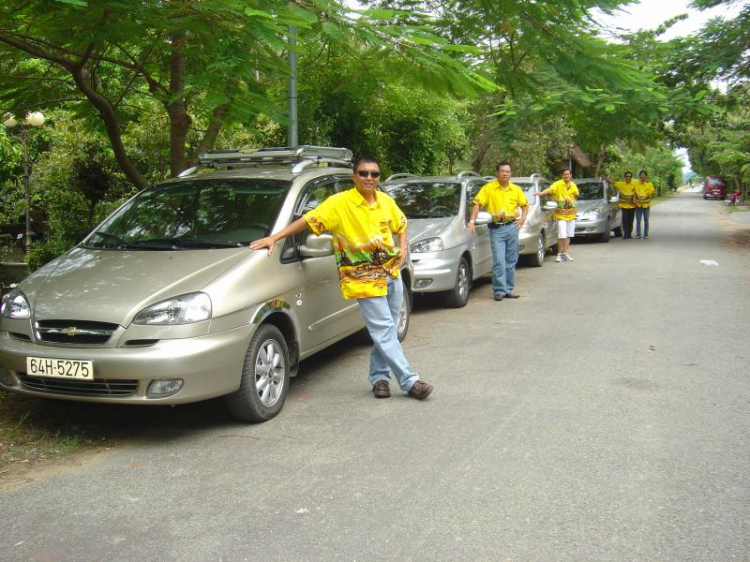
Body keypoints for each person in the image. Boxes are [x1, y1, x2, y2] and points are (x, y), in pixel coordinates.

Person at [249, 155, 434, 401]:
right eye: (364, 173)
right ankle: (410, 381)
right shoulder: (339, 203)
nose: (369, 178)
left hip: (391, 273)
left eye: (374, 174)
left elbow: (401, 224)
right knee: (385, 330)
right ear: (354, 176)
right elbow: (306, 221)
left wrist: (402, 248)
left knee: (384, 331)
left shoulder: (385, 201)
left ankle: (379, 378)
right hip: (362, 278)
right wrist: (275, 237)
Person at [468, 160, 528, 301]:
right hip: (497, 229)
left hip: (512, 227)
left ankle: (508, 289)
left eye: (507, 171)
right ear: (497, 173)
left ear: (510, 173)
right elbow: (477, 204)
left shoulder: (516, 189)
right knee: (499, 261)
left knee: (511, 260)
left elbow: (525, 205)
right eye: (502, 171)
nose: (505, 173)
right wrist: (471, 221)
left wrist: (522, 219)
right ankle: (499, 290)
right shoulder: (488, 188)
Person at [536, 168, 578, 262]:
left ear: (570, 175)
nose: (566, 176)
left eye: (568, 174)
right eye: (565, 174)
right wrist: (541, 193)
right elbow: (550, 190)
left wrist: (572, 202)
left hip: (571, 214)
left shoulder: (573, 185)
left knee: (568, 235)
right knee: (562, 235)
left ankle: (565, 253)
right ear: (562, 176)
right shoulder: (558, 184)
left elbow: (576, 196)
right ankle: (559, 254)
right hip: (561, 215)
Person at [605, 171, 636, 239]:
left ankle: (629, 234)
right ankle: (626, 235)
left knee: (630, 221)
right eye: (627, 176)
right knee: (625, 220)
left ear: (631, 177)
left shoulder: (634, 184)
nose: (628, 177)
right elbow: (613, 182)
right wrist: (605, 178)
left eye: (629, 176)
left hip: (632, 206)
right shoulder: (621, 184)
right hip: (624, 206)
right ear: (624, 177)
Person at [634, 169, 655, 239]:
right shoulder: (636, 184)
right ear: (639, 177)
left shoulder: (649, 184)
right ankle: (638, 234)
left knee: (646, 220)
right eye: (641, 177)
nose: (643, 178)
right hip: (638, 205)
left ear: (646, 177)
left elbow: (651, 195)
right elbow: (633, 193)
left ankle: (646, 234)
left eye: (644, 177)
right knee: (638, 220)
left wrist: (648, 199)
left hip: (646, 205)